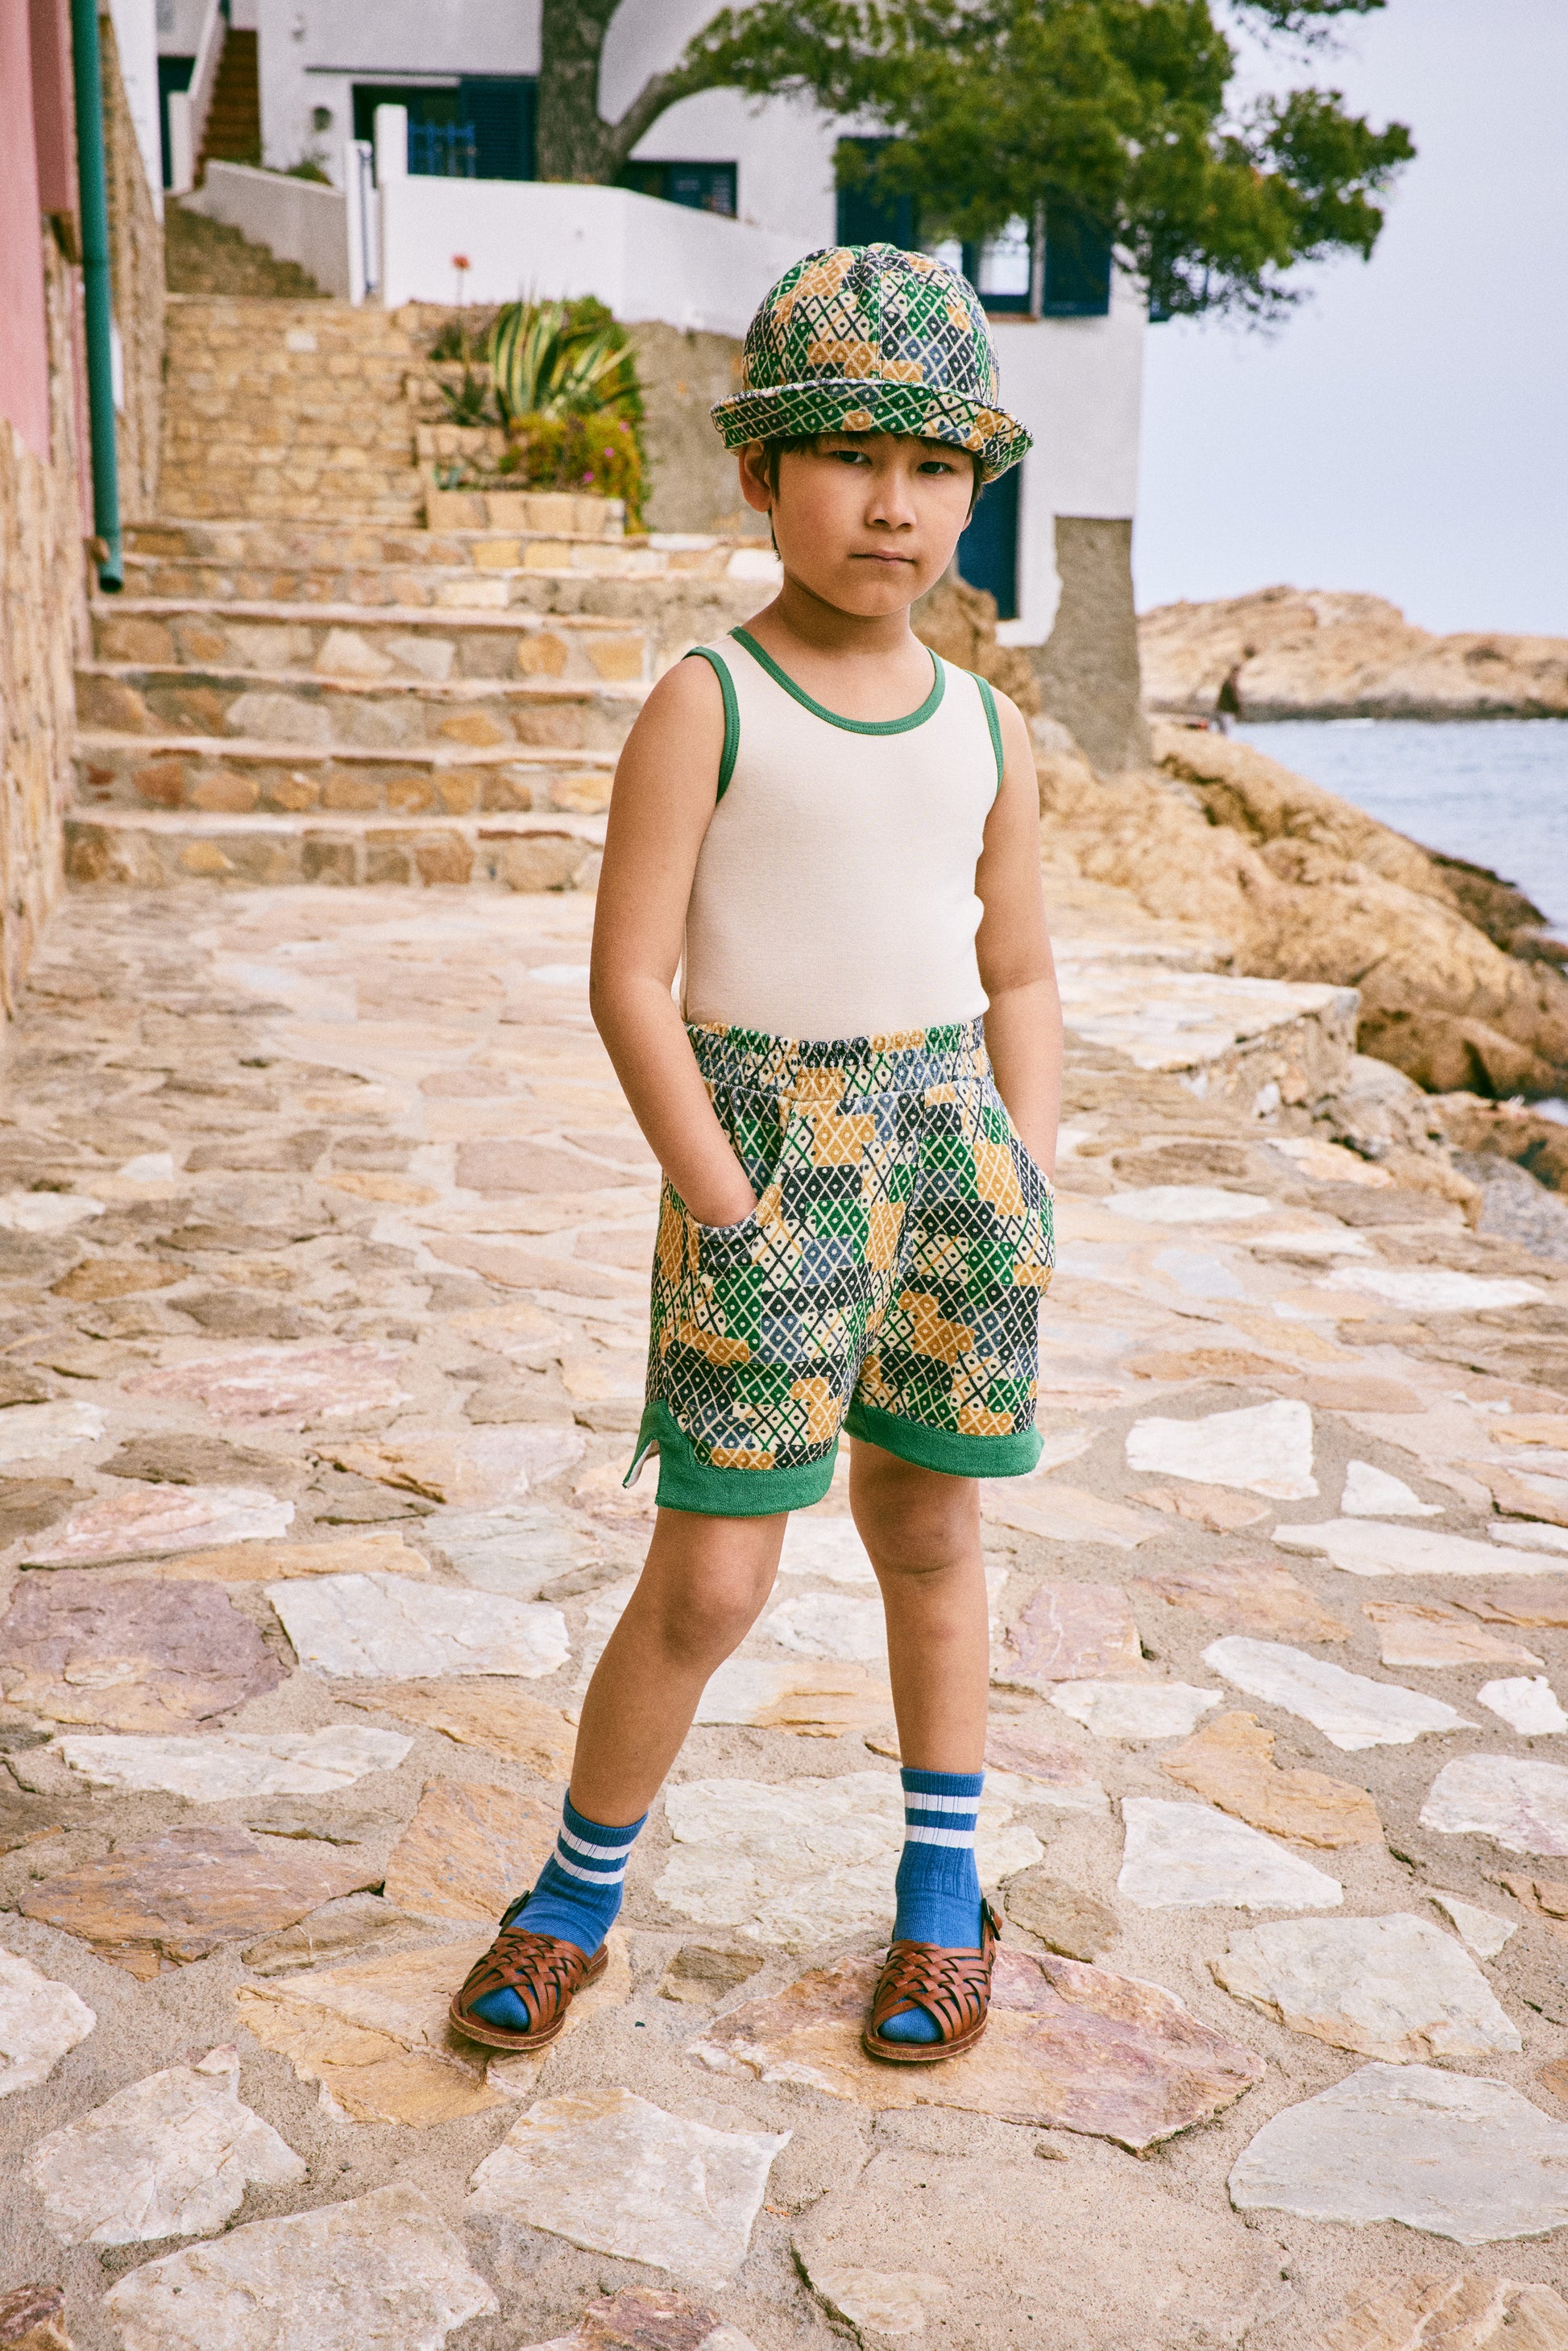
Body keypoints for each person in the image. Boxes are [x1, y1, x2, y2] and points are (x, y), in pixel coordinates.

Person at [450, 243, 1061, 2066]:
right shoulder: (709, 700)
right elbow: (627, 978)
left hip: (951, 1163)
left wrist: (1025, 1166)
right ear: (760, 475)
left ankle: (943, 1901)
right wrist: (725, 1196)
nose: (892, 504)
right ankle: (571, 1898)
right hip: (767, 1164)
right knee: (713, 1574)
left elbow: (1018, 967)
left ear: (968, 493)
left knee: (929, 1528)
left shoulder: (988, 726)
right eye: (850, 456)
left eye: (934, 466)